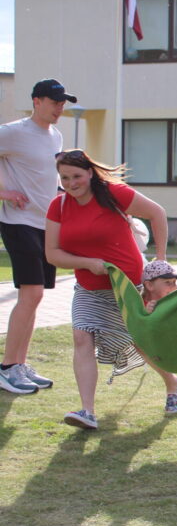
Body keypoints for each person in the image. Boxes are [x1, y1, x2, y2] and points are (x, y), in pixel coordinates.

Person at [44, 149, 177, 428]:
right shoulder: (58, 207)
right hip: (89, 290)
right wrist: (88, 263)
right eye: (65, 178)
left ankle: (173, 383)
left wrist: (161, 259)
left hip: (127, 287)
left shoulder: (113, 194)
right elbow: (53, 254)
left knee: (140, 343)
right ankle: (87, 411)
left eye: (77, 176)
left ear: (90, 174)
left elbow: (157, 213)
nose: (71, 184)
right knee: (81, 338)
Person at [0, 79, 76, 394]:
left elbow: (47, 179)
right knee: (30, 293)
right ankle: (6, 368)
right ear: (36, 101)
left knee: (37, 296)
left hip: (46, 225)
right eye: (55, 101)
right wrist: (4, 192)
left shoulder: (55, 135)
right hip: (17, 222)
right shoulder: (13, 132)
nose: (60, 108)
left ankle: (19, 363)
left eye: (63, 102)